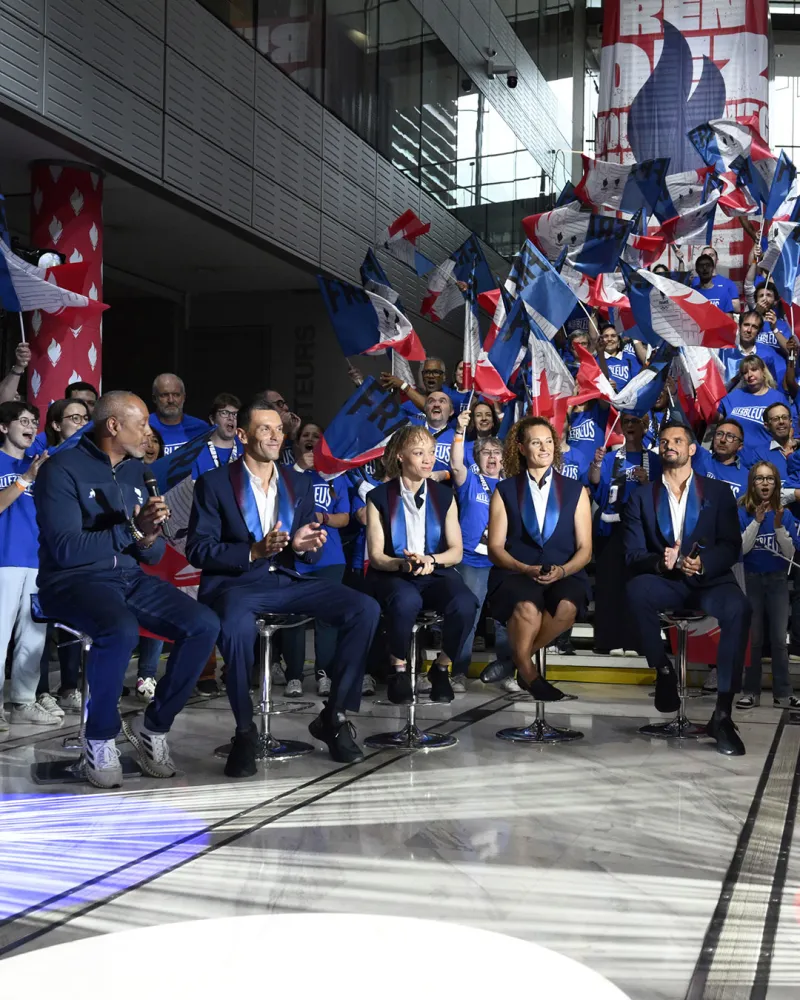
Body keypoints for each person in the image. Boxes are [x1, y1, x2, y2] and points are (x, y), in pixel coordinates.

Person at [35, 390, 221, 788]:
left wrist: (150, 534)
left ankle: (154, 728)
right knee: (117, 629)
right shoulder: (62, 469)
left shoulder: (139, 473)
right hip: (71, 582)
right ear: (114, 425)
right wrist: (132, 529)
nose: (148, 434)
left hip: (129, 578)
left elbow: (150, 558)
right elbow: (66, 550)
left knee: (203, 623)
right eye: (141, 425)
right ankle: (99, 738)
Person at [187, 400, 380, 776]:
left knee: (365, 609)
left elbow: (303, 547)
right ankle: (245, 731)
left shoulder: (299, 483)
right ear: (243, 435)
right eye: (265, 429)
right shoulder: (214, 483)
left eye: (279, 429)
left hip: (287, 580)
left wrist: (306, 546)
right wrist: (253, 550)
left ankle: (334, 716)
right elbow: (198, 550)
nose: (276, 436)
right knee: (236, 627)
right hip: (237, 586)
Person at [623, 422, 751, 756]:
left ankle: (722, 713)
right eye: (664, 441)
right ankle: (663, 671)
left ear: (692, 449)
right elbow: (633, 555)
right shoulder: (641, 497)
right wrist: (661, 562)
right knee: (637, 590)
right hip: (666, 582)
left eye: (678, 440)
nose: (670, 445)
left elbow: (730, 545)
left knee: (739, 608)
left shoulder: (719, 492)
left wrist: (703, 562)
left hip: (709, 581)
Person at [366, 425, 478, 705]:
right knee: (405, 601)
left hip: (435, 571)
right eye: (419, 453)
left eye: (430, 452)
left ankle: (441, 668)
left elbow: (456, 552)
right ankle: (399, 669)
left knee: (466, 603)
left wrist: (431, 560)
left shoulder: (444, 496)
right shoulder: (378, 497)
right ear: (401, 456)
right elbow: (377, 556)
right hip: (395, 573)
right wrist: (404, 564)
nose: (428, 459)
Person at [486, 417, 592, 699]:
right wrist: (523, 567)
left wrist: (563, 570)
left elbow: (585, 549)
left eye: (548, 441)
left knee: (567, 607)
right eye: (536, 442)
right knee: (527, 608)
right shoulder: (505, 490)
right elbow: (495, 547)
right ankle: (531, 675)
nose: (544, 448)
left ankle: (515, 661)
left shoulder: (576, 491)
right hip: (516, 572)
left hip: (564, 572)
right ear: (521, 448)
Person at [280, 420, 363, 698]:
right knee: (295, 618)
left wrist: (321, 517)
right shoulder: (286, 475)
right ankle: (293, 676)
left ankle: (324, 674)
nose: (311, 440)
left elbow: (344, 518)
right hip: (295, 558)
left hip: (330, 558)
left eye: (317, 436)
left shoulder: (333, 477)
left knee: (327, 620)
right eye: (306, 435)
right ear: (296, 441)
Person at [0, 402, 58, 731]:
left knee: (34, 636)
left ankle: (23, 701)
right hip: (4, 560)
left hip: (37, 562)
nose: (30, 426)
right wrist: (24, 479)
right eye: (23, 421)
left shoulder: (40, 466)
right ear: (3, 427)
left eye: (33, 422)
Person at [590, 413, 661, 654]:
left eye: (635, 422)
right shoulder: (610, 458)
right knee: (609, 586)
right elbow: (595, 486)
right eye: (626, 421)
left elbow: (662, 495)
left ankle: (635, 640)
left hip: (641, 532)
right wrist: (597, 464)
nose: (630, 426)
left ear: (645, 426)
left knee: (638, 586)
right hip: (612, 529)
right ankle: (608, 641)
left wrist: (647, 483)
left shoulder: (654, 460)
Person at [736, 462, 800, 711]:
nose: (765, 483)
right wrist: (757, 522)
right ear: (752, 483)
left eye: (770, 479)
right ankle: (750, 691)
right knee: (753, 638)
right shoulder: (742, 511)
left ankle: (783, 694)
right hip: (751, 578)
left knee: (778, 640)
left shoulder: (785, 513)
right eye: (760, 479)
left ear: (776, 484)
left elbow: (790, 553)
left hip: (777, 580)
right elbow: (741, 549)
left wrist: (777, 526)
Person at [450, 409, 506, 692]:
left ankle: (507, 673)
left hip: (503, 562)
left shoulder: (510, 486)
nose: (493, 457)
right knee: (468, 619)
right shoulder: (469, 480)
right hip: (472, 561)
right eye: (486, 453)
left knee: (505, 621)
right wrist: (460, 431)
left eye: (497, 453)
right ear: (478, 458)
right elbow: (456, 463)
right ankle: (458, 672)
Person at [717, 356, 791, 468]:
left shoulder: (777, 398)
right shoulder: (733, 396)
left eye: (754, 369)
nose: (750, 375)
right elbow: (715, 418)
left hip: (766, 463)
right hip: (736, 463)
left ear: (763, 371)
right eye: (745, 372)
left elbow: (790, 428)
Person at [720, 311, 784, 389]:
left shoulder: (767, 355)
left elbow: (772, 385)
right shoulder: (725, 352)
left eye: (754, 327)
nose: (749, 330)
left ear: (758, 332)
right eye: (746, 325)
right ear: (739, 327)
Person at [150, 373, 209, 455]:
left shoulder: (201, 428)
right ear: (154, 398)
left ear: (184, 397)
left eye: (176, 395)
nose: (171, 400)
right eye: (164, 395)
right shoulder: (144, 427)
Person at [692, 419, 749, 499]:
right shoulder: (699, 456)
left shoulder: (747, 477)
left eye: (730, 436)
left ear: (740, 446)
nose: (722, 440)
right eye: (719, 434)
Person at [192, 393, 242, 479]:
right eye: (224, 413)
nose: (231, 418)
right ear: (212, 419)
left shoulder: (246, 449)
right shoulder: (197, 452)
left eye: (235, 414)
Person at [409, 391, 456, 473]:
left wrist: (445, 474)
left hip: (441, 485)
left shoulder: (457, 438)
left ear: (451, 411)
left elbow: (460, 471)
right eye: (431, 401)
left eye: (442, 401)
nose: (436, 405)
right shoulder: (410, 426)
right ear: (425, 409)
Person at [464, 401, 502, 469]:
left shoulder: (502, 447)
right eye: (478, 415)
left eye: (488, 415)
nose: (484, 418)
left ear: (493, 421)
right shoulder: (465, 449)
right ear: (473, 421)